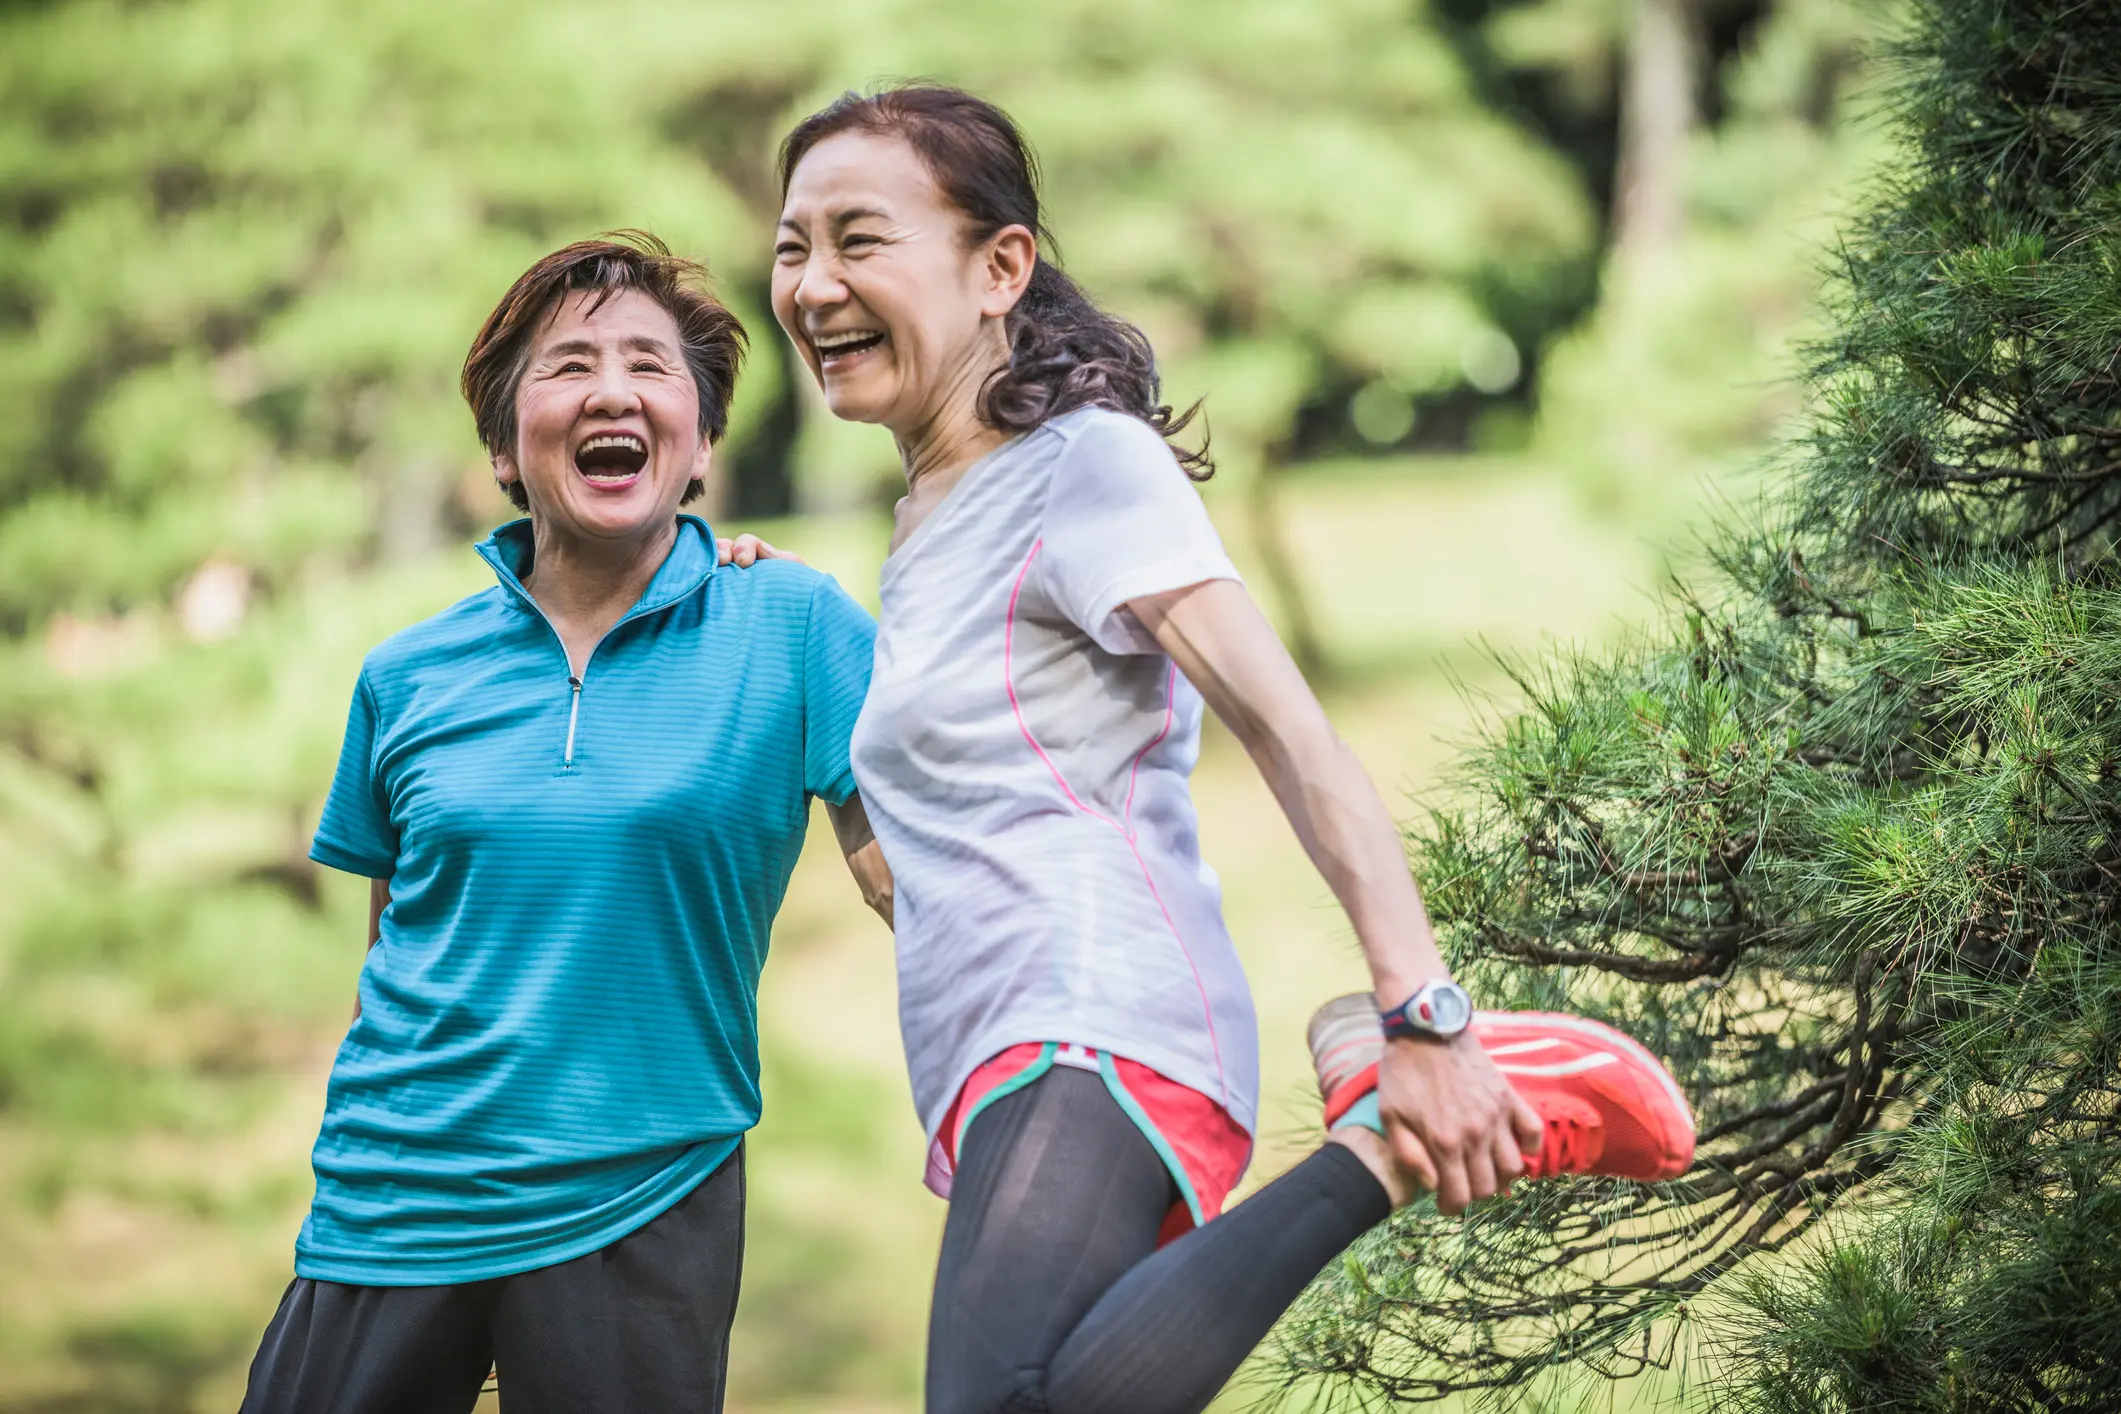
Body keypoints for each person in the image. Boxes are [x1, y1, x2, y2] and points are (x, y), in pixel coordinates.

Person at [765, 85, 1698, 1414]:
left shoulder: (1082, 466)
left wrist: (1416, 1002)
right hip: (991, 1045)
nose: (813, 283)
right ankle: (1380, 1130)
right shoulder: (925, 515)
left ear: (999, 267)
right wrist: (758, 614)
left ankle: (1389, 1136)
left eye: (859, 239)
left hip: (1090, 1004)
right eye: (793, 245)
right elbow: (934, 845)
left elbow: (1288, 729)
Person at [239, 233, 890, 1414]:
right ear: (502, 443)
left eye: (651, 365)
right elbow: (398, 947)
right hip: (395, 1196)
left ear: (698, 441)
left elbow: (917, 876)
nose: (612, 390)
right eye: (568, 364)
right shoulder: (408, 673)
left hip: (641, 1198)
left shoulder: (791, 625)